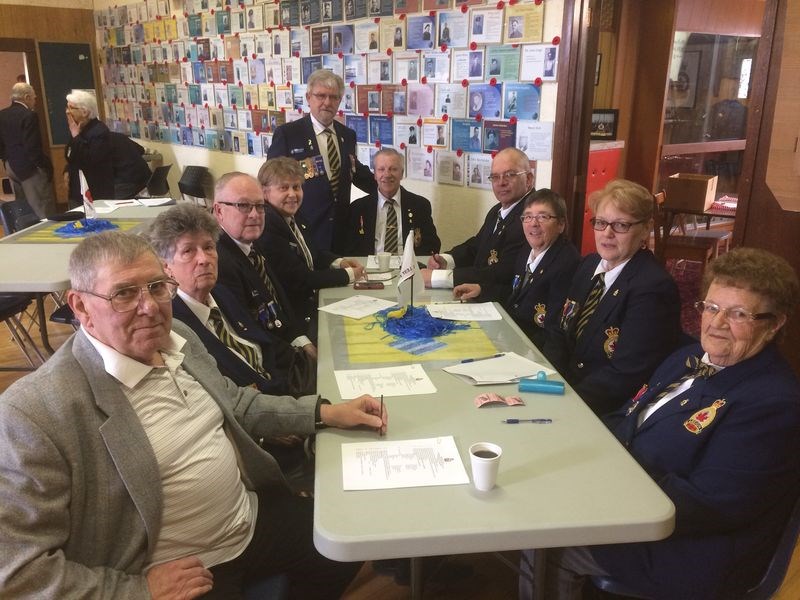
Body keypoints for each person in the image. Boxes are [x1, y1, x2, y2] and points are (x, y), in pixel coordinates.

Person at [0, 230, 387, 598]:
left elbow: (237, 404)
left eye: (156, 287)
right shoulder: (34, 413)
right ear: (81, 306)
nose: (149, 306)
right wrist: (138, 591)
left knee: (349, 541)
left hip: (247, 519)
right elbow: (18, 571)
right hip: (175, 570)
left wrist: (326, 412)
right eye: (123, 294)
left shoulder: (177, 337)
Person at [532, 247, 800, 600]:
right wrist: (572, 441)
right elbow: (627, 417)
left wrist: (596, 488)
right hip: (628, 497)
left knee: (547, 542)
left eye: (738, 314)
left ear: (775, 323)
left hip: (686, 548)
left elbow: (707, 505)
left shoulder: (773, 403)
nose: (717, 324)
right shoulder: (685, 358)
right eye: (711, 307)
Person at [543, 179, 681, 416]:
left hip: (606, 409)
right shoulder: (588, 265)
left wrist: (566, 404)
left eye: (621, 225)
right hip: (564, 389)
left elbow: (625, 374)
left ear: (645, 229)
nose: (607, 233)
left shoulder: (653, 288)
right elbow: (560, 330)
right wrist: (546, 379)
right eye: (601, 222)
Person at [148, 203, 314, 397]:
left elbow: (265, 346)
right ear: (166, 267)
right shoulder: (174, 326)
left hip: (289, 383)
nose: (204, 259)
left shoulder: (221, 293)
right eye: (188, 251)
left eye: (208, 247)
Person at [213, 172, 318, 365]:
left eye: (260, 206)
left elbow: (277, 303)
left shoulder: (253, 245)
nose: (254, 214)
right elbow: (255, 339)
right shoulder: (220, 264)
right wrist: (305, 360)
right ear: (219, 211)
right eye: (243, 206)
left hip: (289, 338)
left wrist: (302, 341)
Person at [255, 157, 365, 343]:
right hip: (296, 316)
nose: (292, 194)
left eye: (296, 187)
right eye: (284, 188)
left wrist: (339, 262)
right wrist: (348, 275)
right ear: (265, 193)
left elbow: (312, 252)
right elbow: (301, 279)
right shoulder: (269, 226)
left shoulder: (294, 215)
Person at [454, 189, 580, 348]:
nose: (533, 223)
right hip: (511, 335)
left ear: (561, 224)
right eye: (528, 216)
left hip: (532, 347)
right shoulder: (527, 250)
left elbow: (555, 330)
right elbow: (516, 294)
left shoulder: (566, 263)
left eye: (543, 216)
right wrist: (482, 290)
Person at [267, 70, 376, 253]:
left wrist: (389, 190)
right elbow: (271, 182)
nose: (327, 102)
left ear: (340, 101)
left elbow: (353, 170)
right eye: (321, 96)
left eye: (333, 97)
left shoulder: (347, 135)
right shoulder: (288, 134)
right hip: (304, 230)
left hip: (341, 233)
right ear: (309, 97)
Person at [422, 148, 530, 289]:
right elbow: (477, 247)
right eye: (495, 177)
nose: (501, 182)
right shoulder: (498, 210)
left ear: (528, 179)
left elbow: (502, 272)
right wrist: (446, 260)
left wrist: (437, 278)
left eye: (509, 175)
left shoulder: (528, 218)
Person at [346, 148, 440, 256]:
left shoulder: (420, 206)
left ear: (402, 173)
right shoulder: (358, 208)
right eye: (381, 169)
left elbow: (432, 245)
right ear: (375, 175)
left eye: (393, 169)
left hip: (408, 269)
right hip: (369, 269)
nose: (387, 174)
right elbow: (350, 249)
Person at [0, 83, 55, 218]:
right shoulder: (29, 115)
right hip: (30, 169)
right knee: (42, 208)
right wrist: (45, 167)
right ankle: (48, 237)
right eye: (34, 98)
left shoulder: (2, 114)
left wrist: (6, 160)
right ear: (26, 97)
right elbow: (33, 147)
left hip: (11, 166)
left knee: (23, 209)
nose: (35, 102)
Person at [64, 89, 114, 205]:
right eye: (67, 107)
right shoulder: (76, 129)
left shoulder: (99, 131)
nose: (67, 112)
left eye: (71, 108)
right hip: (77, 190)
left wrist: (76, 137)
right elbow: (70, 155)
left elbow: (90, 159)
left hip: (96, 192)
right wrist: (66, 170)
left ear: (85, 112)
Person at [109, 131, 151, 199]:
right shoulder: (120, 136)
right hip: (147, 180)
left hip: (126, 184)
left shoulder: (99, 142)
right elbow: (141, 150)